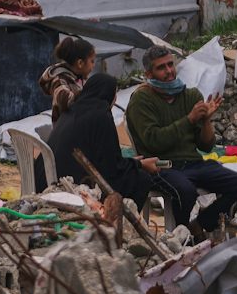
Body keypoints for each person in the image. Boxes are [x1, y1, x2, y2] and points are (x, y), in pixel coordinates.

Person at [126, 50, 237, 234]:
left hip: (194, 164)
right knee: (185, 191)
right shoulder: (141, 99)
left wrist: (206, 121)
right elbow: (154, 141)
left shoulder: (191, 96)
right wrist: (190, 119)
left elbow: (206, 146)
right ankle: (179, 237)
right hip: (161, 166)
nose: (169, 71)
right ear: (148, 74)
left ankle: (200, 224)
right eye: (161, 68)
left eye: (171, 64)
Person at [48, 72, 163, 208]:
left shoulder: (71, 110)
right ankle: (120, 222)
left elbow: (101, 158)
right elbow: (111, 168)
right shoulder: (101, 116)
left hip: (53, 178)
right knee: (141, 179)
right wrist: (140, 165)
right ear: (110, 95)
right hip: (76, 185)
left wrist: (131, 163)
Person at [40, 36, 96, 120]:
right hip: (65, 129)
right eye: (92, 61)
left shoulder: (78, 78)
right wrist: (88, 93)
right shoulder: (59, 79)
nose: (93, 65)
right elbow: (64, 100)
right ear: (80, 63)